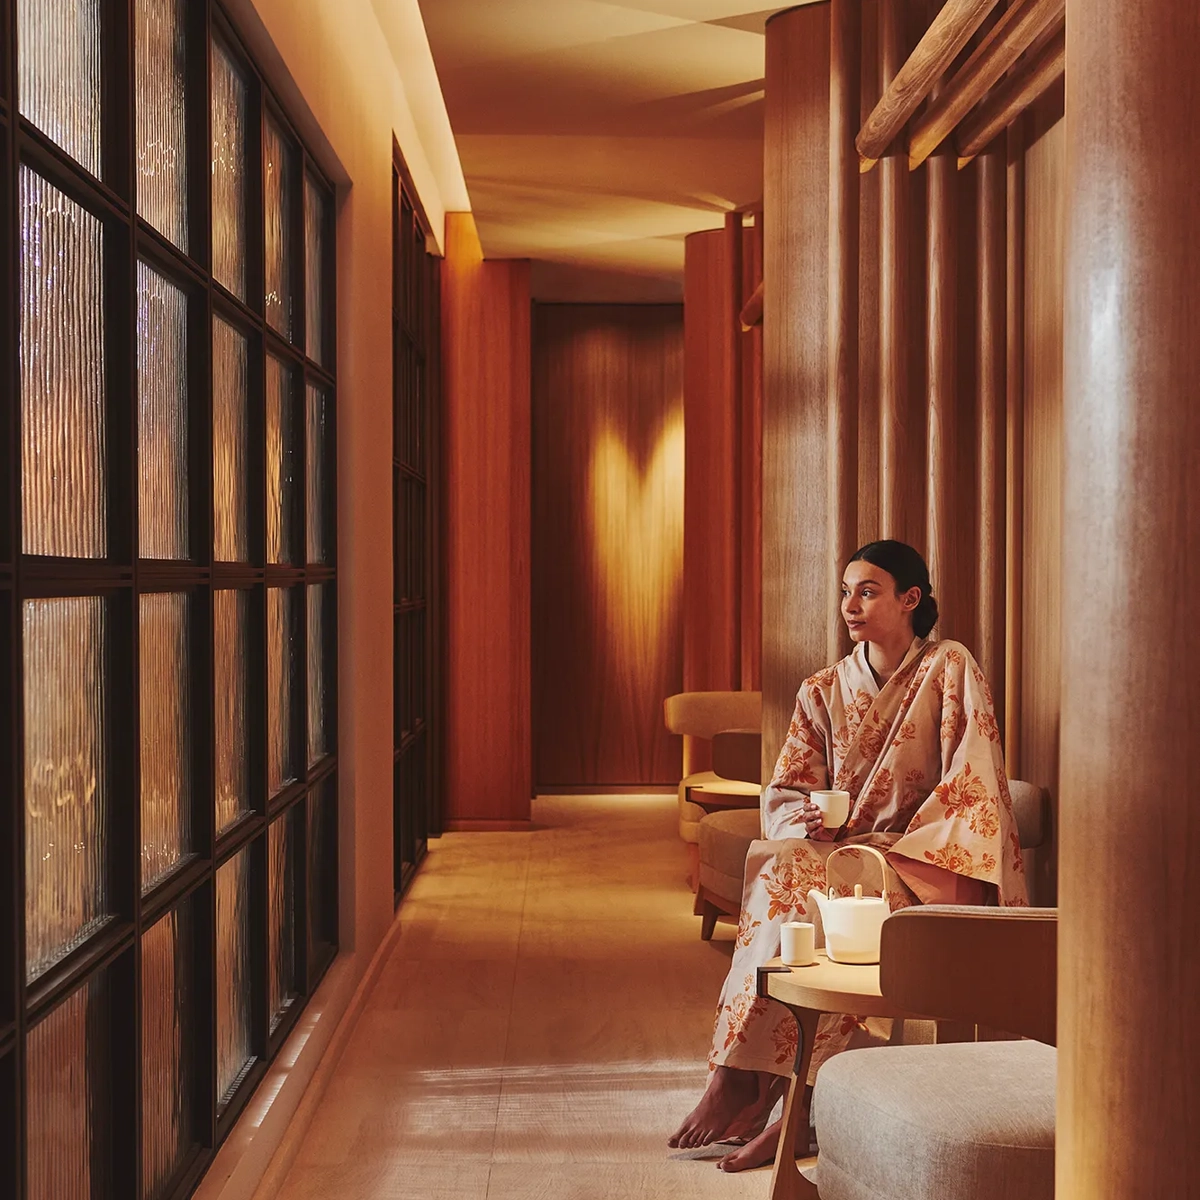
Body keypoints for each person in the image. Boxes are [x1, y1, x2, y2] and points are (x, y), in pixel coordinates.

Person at [668, 540, 1028, 1171]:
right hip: (839, 853)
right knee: (786, 871)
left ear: (910, 598)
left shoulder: (950, 668)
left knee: (810, 892)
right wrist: (805, 816)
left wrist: (895, 845)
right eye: (845, 591)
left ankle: (773, 1094)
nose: (850, 605)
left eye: (868, 590)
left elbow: (974, 786)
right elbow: (785, 791)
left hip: (924, 861)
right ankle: (753, 1083)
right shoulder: (823, 688)